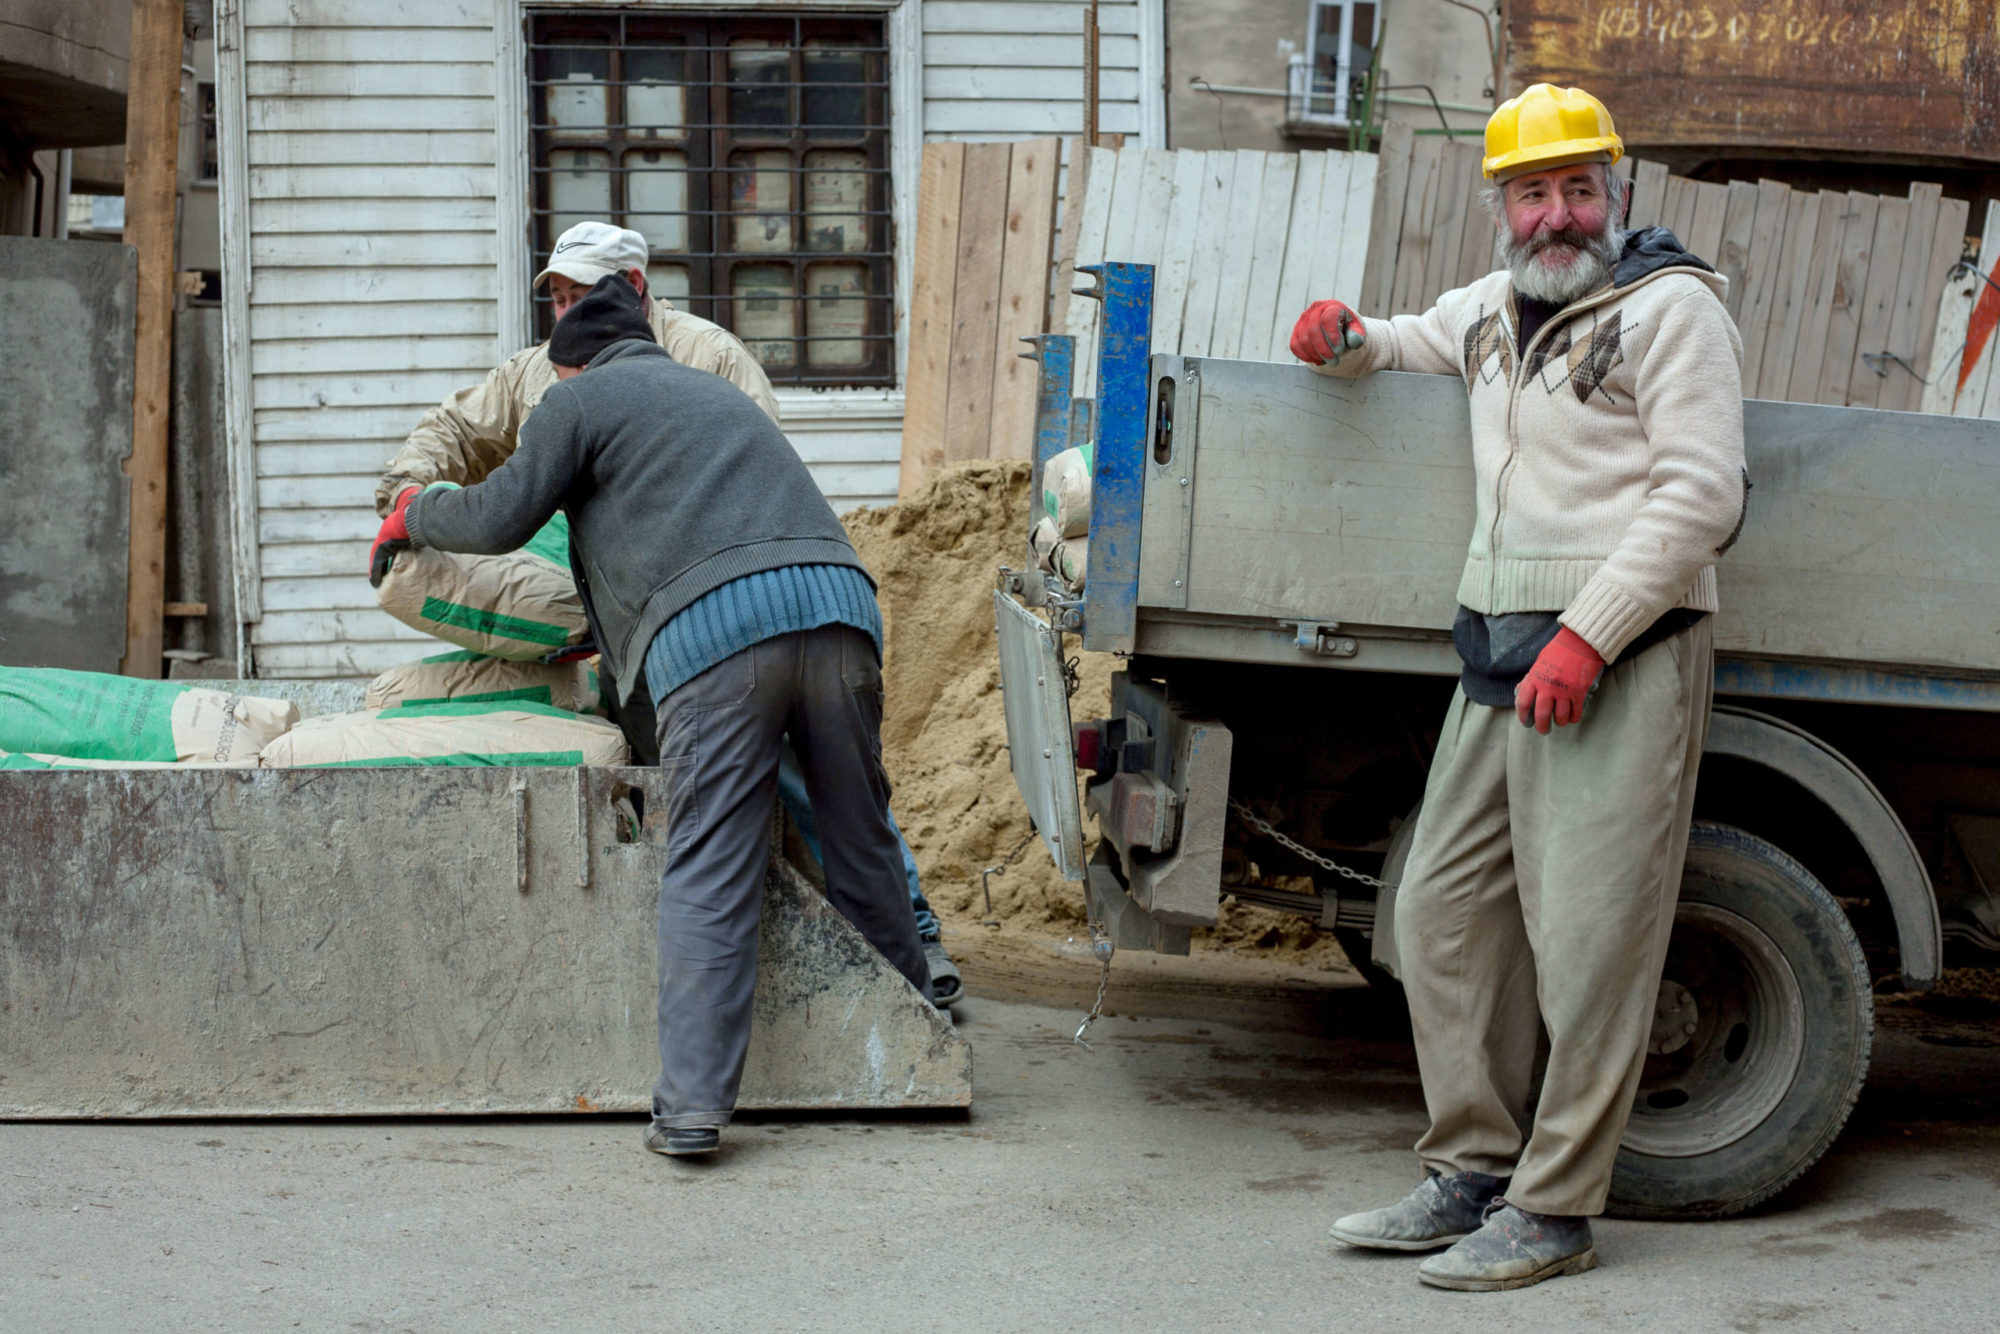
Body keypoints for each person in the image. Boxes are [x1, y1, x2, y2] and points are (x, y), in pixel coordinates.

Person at [1289, 84, 1749, 1290]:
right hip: (1498, 651)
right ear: (1501, 205)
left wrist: (1589, 634)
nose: (1555, 215)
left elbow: (1703, 495)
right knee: (1436, 911)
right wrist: (1341, 336)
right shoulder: (1492, 306)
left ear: (1616, 191)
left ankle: (1554, 1208)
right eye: (1531, 193)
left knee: (1588, 940)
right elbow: (1396, 341)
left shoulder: (1671, 308)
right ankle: (1471, 1168)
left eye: (1575, 189)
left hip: (1616, 655)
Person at [369, 274, 934, 1157]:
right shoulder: (709, 391)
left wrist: (414, 513)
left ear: (568, 368)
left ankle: (694, 1111)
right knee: (858, 834)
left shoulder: (578, 402)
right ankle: (916, 1050)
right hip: (841, 612)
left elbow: (498, 515)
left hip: (719, 637)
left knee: (713, 859)